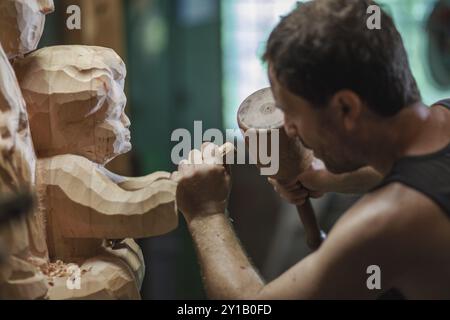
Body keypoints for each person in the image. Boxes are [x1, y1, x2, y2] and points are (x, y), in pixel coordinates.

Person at [174, 0, 450, 299]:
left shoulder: (383, 224)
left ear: (345, 107)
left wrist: (206, 214)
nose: (289, 128)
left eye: (292, 113)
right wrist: (326, 176)